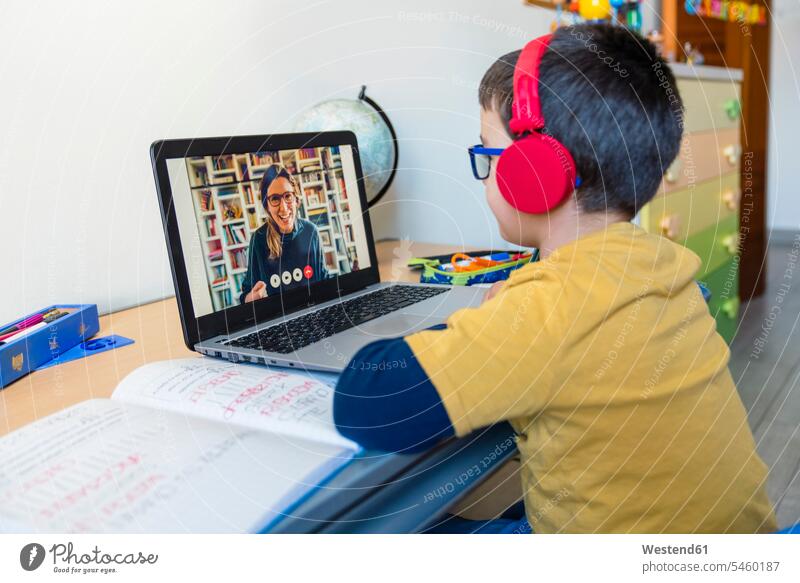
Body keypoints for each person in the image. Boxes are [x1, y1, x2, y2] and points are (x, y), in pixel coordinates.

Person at [331, 24, 776, 533]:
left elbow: (366, 403)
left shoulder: (548, 308)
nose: (486, 174)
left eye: (487, 154)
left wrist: (490, 321)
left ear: (536, 171)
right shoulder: (666, 264)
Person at [239, 164, 329, 304]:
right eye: (275, 199)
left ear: (296, 199)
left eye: (288, 196)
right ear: (267, 205)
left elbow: (324, 280)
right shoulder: (258, 239)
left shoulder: (311, 231)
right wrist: (251, 298)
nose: (284, 207)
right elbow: (246, 295)